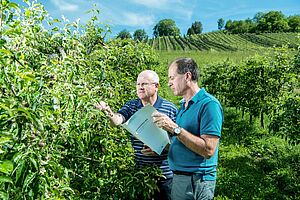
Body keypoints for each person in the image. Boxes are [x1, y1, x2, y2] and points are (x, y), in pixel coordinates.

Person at [95, 70, 177, 200]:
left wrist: (161, 148)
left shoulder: (169, 108)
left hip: (165, 176)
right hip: (140, 175)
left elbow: (178, 139)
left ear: (156, 86)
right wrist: (109, 113)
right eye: (138, 84)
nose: (140, 87)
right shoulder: (132, 106)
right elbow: (118, 119)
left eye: (144, 83)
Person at [152, 58, 223, 200]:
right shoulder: (183, 106)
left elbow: (208, 150)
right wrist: (162, 147)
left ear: (187, 76)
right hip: (179, 179)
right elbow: (184, 142)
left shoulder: (209, 105)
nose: (169, 83)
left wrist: (174, 128)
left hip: (195, 181)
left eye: (172, 77)